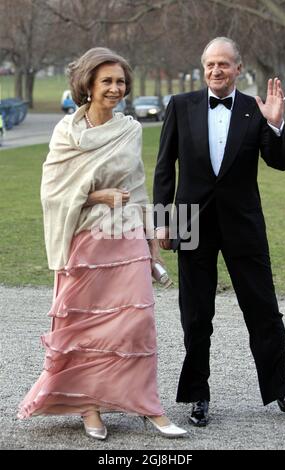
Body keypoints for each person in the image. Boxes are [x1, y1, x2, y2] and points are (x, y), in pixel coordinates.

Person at [17, 47, 187, 440]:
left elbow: (138, 191)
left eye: (120, 81)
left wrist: (151, 248)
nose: (116, 88)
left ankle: (148, 406)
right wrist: (97, 197)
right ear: (88, 86)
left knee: (137, 324)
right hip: (85, 244)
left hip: (125, 239)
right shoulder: (66, 133)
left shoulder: (130, 129)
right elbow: (52, 191)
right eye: (107, 81)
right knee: (84, 330)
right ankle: (88, 406)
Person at [153, 37, 285, 427]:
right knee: (196, 315)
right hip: (191, 221)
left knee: (263, 309)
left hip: (243, 224)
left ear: (238, 68)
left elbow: (280, 162)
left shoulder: (254, 109)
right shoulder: (181, 106)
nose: (217, 70)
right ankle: (197, 394)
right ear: (203, 68)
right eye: (211, 64)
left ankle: (281, 388)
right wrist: (163, 220)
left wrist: (277, 123)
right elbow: (165, 167)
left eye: (224, 65)